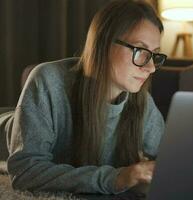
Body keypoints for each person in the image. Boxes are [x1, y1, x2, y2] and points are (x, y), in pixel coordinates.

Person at [3, 0, 167, 194]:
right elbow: (24, 172)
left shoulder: (141, 101)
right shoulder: (47, 80)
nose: (150, 68)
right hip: (9, 128)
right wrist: (116, 178)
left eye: (155, 55)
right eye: (140, 50)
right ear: (104, 43)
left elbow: (169, 160)